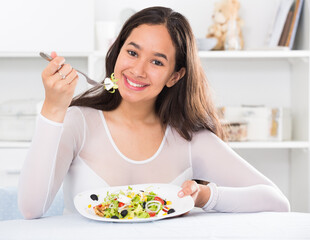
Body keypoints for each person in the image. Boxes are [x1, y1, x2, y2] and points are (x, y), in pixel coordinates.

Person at [18, 6, 290, 219]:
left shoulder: (189, 139)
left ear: (175, 75)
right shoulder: (79, 122)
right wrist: (53, 108)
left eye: (157, 61)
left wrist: (205, 197)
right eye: (132, 53)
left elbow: (277, 201)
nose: (138, 70)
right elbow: (31, 209)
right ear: (116, 51)